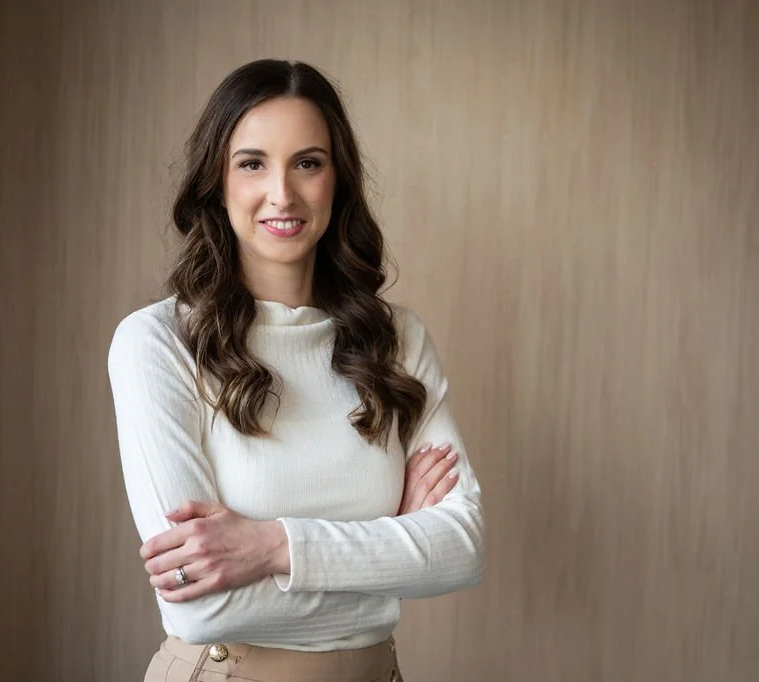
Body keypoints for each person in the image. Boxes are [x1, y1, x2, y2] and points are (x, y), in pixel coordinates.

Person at [107, 59, 485, 682]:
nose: (282, 194)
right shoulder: (157, 343)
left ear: (338, 181)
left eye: (307, 162)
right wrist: (390, 547)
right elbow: (203, 606)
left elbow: (463, 549)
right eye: (252, 163)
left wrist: (273, 546)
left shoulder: (396, 340)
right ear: (217, 182)